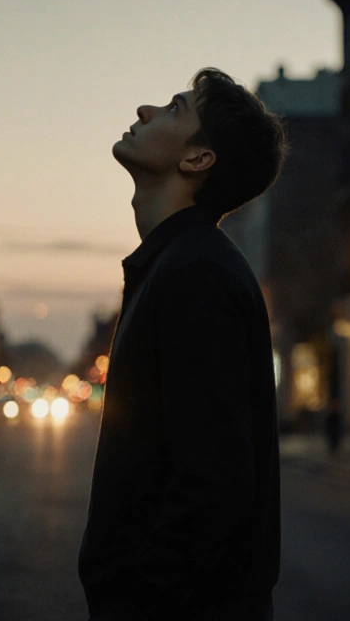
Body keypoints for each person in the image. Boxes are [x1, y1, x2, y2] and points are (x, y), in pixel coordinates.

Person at [78, 68, 286, 621]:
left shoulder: (194, 275)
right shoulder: (181, 266)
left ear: (197, 160)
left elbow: (212, 486)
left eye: (173, 109)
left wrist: (141, 599)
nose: (146, 112)